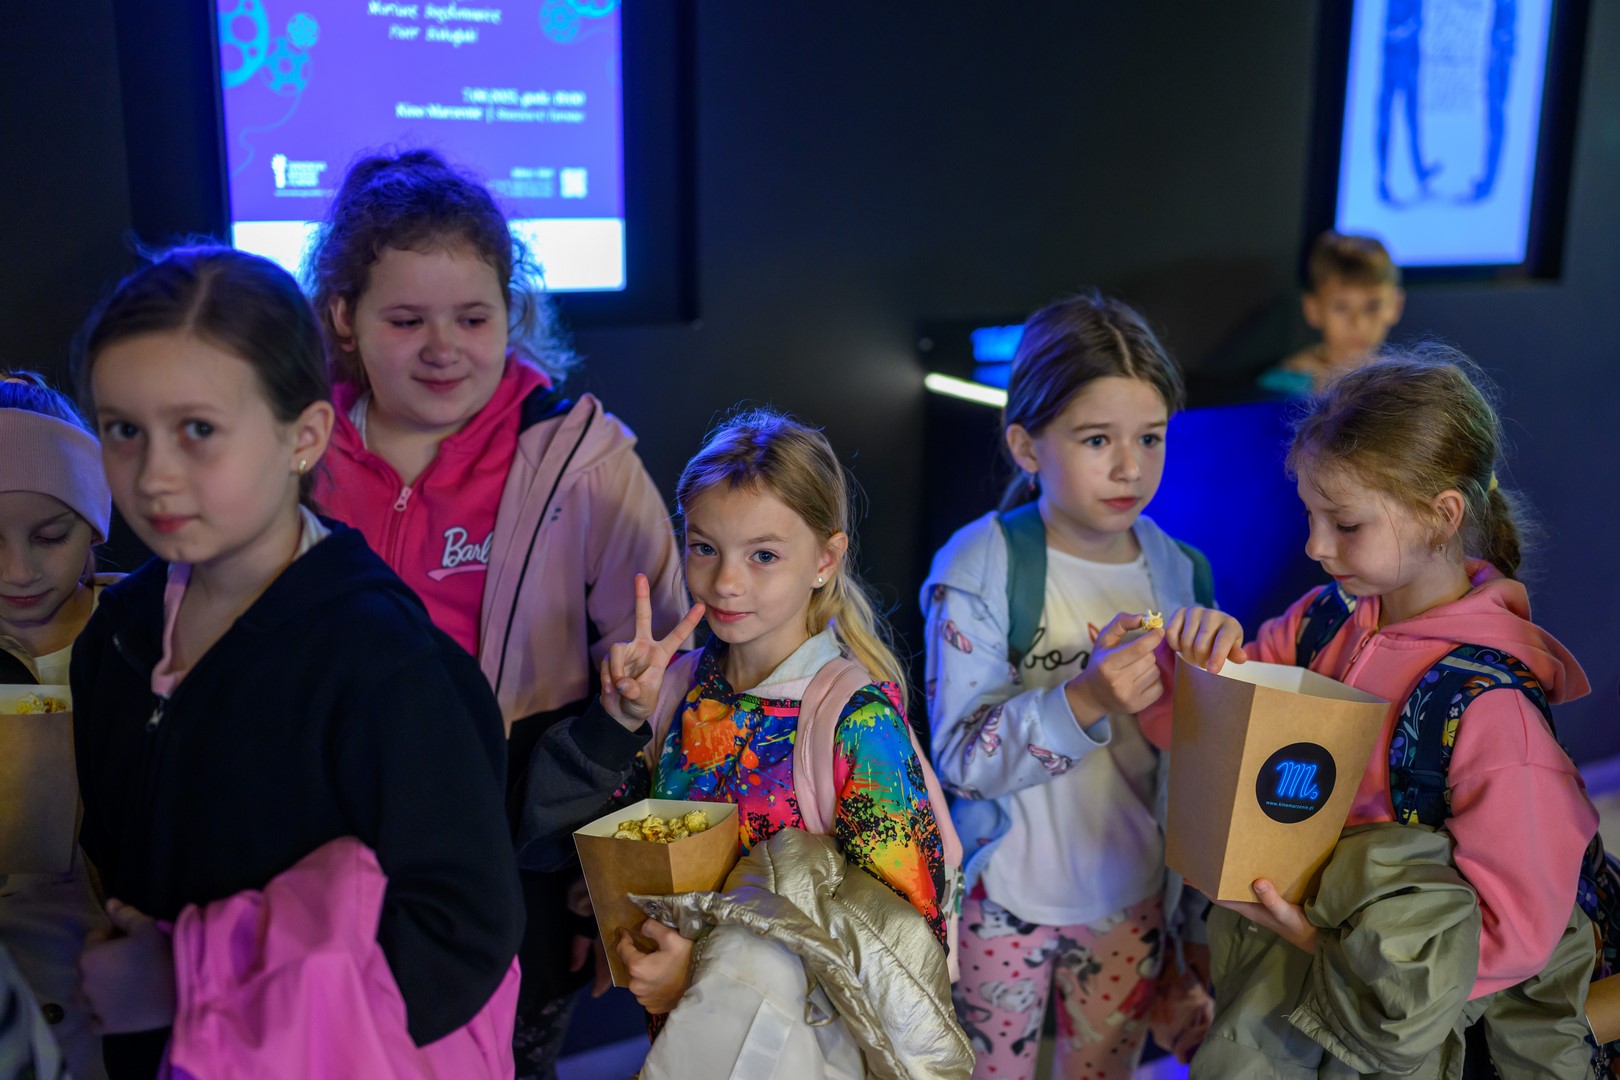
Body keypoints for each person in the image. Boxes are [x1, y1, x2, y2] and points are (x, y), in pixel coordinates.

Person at [69, 246, 524, 1078]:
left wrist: (185, 984)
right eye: (123, 430)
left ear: (304, 437)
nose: (155, 476)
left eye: (198, 430)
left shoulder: (384, 664)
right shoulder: (119, 635)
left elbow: (457, 935)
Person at [307, 150, 683, 1077]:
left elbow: (667, 675)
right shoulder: (297, 450)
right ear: (345, 317)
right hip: (332, 832)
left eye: (472, 318)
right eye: (406, 320)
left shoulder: (583, 461)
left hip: (519, 846)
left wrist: (613, 883)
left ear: (511, 312)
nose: (443, 347)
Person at [1193, 350, 1598, 1076]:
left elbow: (1519, 931)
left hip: (1396, 1024)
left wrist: (1330, 950)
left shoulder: (1492, 710)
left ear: (1442, 516)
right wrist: (1200, 664)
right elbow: (1228, 729)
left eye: (1346, 524)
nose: (1315, 546)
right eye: (1310, 516)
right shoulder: (1321, 620)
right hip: (1283, 971)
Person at [923, 293, 1236, 1079]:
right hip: (1000, 901)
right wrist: (1085, 699)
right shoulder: (980, 565)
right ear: (1025, 445)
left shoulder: (1181, 571)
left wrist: (1227, 679)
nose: (1130, 467)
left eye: (1150, 438)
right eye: (1097, 439)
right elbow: (959, 759)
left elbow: (1201, 766)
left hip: (1132, 899)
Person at [0, 372, 115, 1079]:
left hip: (132, 1014)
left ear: (96, 522)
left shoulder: (156, 636)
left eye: (50, 535)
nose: (18, 571)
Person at [1259, 231, 1405, 397]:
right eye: (1341, 307)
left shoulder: (1402, 384)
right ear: (1313, 309)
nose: (1359, 323)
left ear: (1396, 305)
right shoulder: (1283, 385)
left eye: (1372, 306)